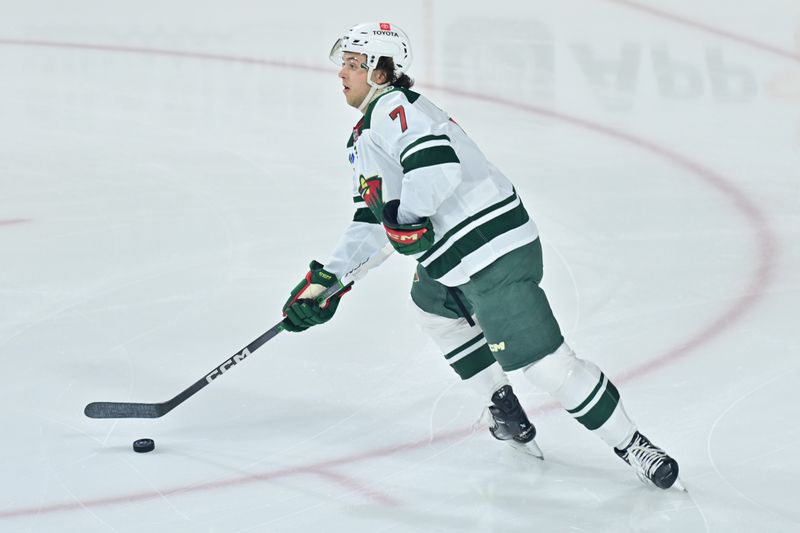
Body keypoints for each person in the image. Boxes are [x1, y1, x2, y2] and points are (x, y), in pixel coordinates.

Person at [281, 22, 682, 490]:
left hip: (493, 252)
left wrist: (407, 217)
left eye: (354, 63)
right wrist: (329, 281)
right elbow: (373, 224)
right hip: (453, 258)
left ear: (382, 73)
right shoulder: (366, 134)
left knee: (548, 366)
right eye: (344, 63)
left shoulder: (393, 109)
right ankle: (503, 407)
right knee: (431, 309)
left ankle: (633, 444)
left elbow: (435, 168)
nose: (341, 73)